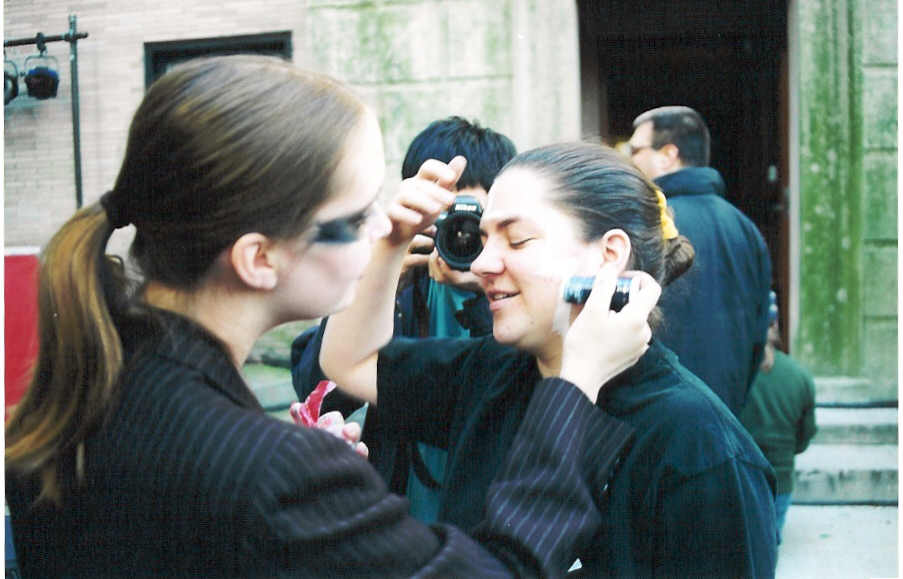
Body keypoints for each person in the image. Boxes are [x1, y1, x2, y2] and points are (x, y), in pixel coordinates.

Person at [4, 54, 659, 577]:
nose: (384, 227)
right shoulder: (269, 469)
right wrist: (575, 384)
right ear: (259, 258)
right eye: (356, 217)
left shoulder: (92, 389)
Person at [320, 142, 778, 576]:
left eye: (517, 240)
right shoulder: (492, 370)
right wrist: (391, 241)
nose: (481, 264)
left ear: (610, 255)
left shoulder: (700, 448)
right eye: (483, 239)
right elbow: (350, 363)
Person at [292, 116, 515, 522]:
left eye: (473, 224)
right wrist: (381, 276)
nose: (459, 236)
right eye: (445, 219)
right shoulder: (396, 286)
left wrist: (484, 292)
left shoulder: (514, 294)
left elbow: (511, 385)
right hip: (401, 513)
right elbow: (317, 389)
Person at [628, 105, 772, 416]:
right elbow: (759, 335)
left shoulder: (648, 225)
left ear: (668, 155)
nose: (630, 160)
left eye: (635, 150)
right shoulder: (745, 228)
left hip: (657, 414)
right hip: (725, 412)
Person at [740, 291, 818, 546]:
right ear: (775, 325)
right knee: (768, 547)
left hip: (740, 478)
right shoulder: (800, 376)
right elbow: (804, 437)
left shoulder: (733, 375)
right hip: (780, 480)